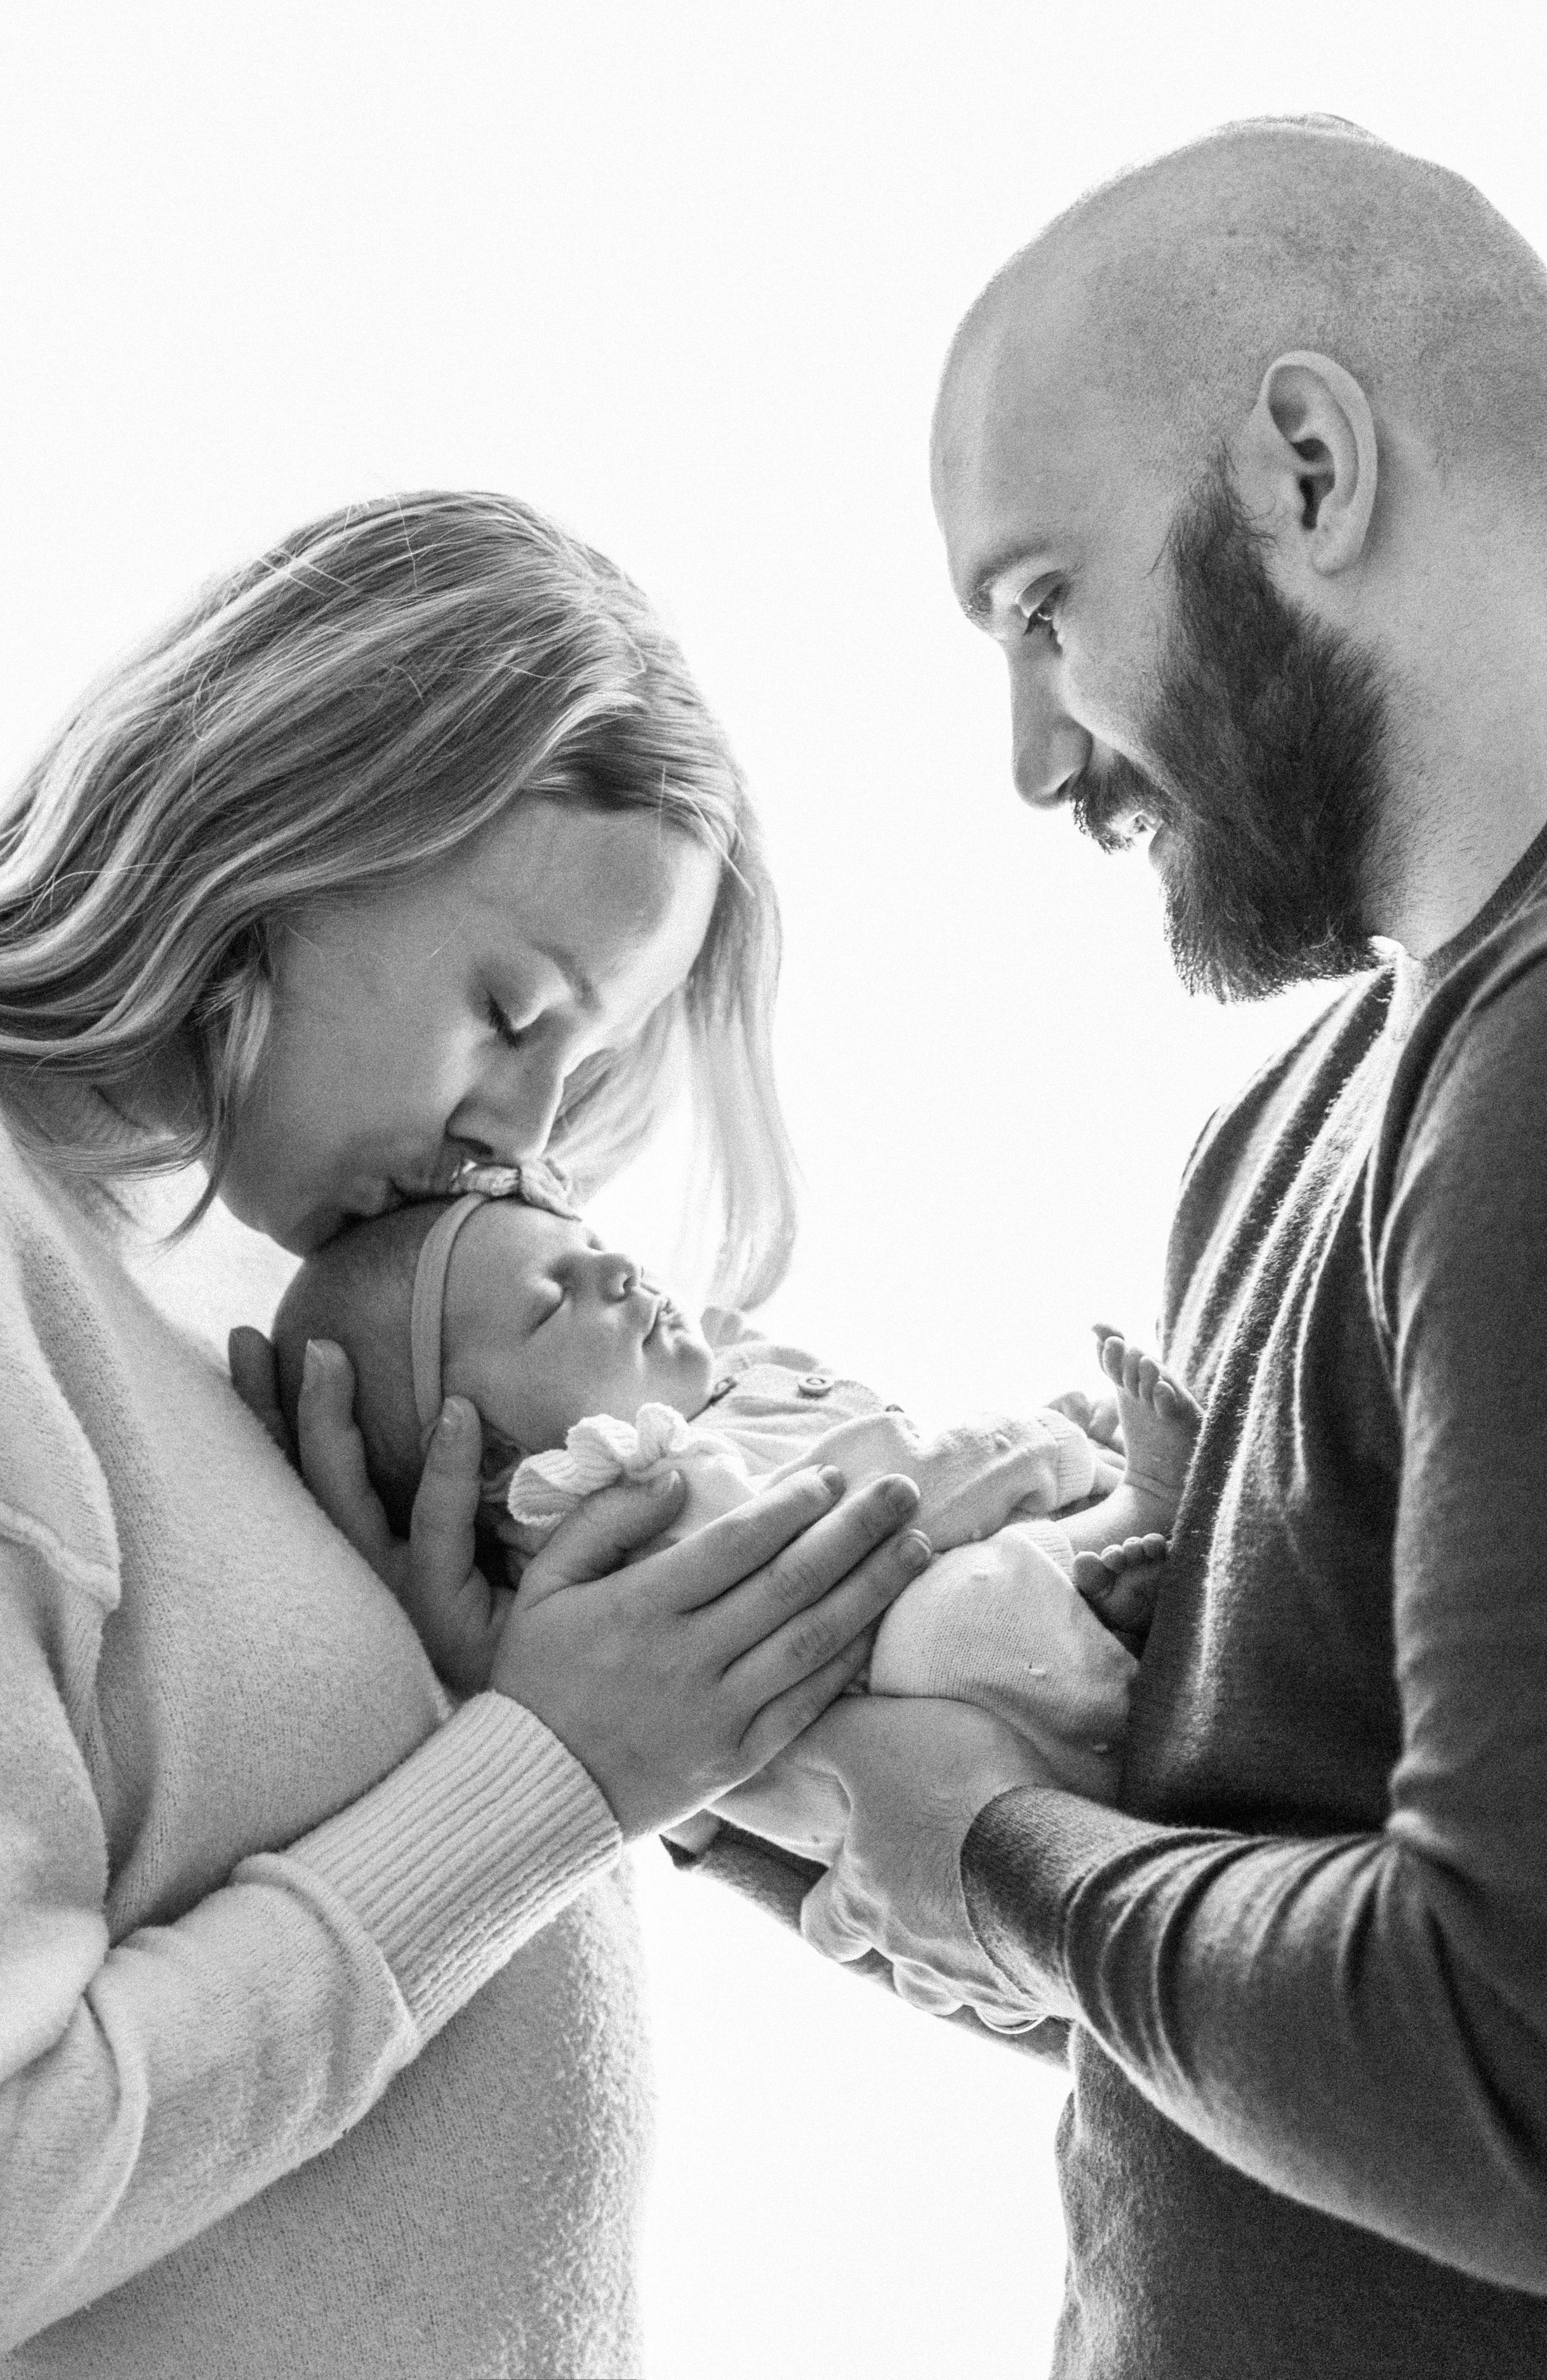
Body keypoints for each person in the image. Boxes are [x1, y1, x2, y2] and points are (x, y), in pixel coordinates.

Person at [711, 115, 1547, 2376]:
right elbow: (1215, 1997)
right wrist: (719, 1766)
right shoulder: (1281, 1129)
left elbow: (1502, 2075)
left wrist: (993, 1854)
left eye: (1041, 607)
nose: (1028, 754)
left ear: (1303, 469)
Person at [0, 491, 931, 2379]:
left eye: (583, 1067)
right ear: (284, 821)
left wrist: (492, 1704)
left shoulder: (224, 1292)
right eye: (511, 1012)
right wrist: (541, 1781)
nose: (523, 1139)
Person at [264, 1162, 1203, 1815]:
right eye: (552, 1300)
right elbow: (882, 1493)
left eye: (590, 1241)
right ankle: (1136, 1509)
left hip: (1006, 1641)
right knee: (953, 1618)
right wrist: (1050, 1445)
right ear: (493, 1465)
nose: (616, 1268)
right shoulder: (641, 1506)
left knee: (983, 1582)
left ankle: (1101, 1568)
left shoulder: (726, 1383)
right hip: (972, 1704)